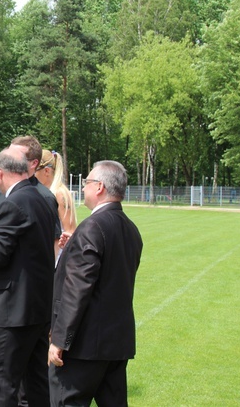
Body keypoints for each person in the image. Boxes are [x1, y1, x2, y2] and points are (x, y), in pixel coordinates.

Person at [48, 161, 143, 407]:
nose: (83, 187)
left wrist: (59, 339)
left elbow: (77, 289)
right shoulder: (130, 228)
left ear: (99, 187)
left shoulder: (92, 227)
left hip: (84, 346)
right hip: (115, 343)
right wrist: (75, 243)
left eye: (87, 182)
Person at [0, 147, 56, 407]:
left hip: (13, 311)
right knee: (37, 383)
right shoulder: (42, 198)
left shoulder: (12, 202)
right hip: (38, 307)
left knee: (4, 385)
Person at [36, 149, 77, 261]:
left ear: (47, 171)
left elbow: (70, 231)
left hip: (58, 257)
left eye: (35, 170)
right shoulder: (43, 193)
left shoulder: (60, 194)